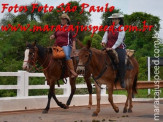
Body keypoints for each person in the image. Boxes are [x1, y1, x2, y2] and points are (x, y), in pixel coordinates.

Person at [101, 13, 126, 88]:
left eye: (115, 19)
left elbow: (119, 40)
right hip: (108, 48)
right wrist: (103, 42)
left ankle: (122, 80)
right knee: (99, 57)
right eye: (113, 19)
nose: (114, 20)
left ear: (119, 20)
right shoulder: (109, 28)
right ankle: (101, 77)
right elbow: (105, 37)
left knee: (121, 61)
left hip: (119, 48)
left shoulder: (121, 28)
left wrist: (112, 47)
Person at [50, 13, 78, 78]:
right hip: (57, 45)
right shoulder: (58, 27)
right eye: (61, 19)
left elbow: (73, 38)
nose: (62, 20)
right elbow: (55, 35)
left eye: (63, 19)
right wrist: (52, 36)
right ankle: (50, 72)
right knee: (49, 54)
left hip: (66, 45)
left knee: (66, 55)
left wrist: (73, 47)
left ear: (67, 20)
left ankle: (72, 71)